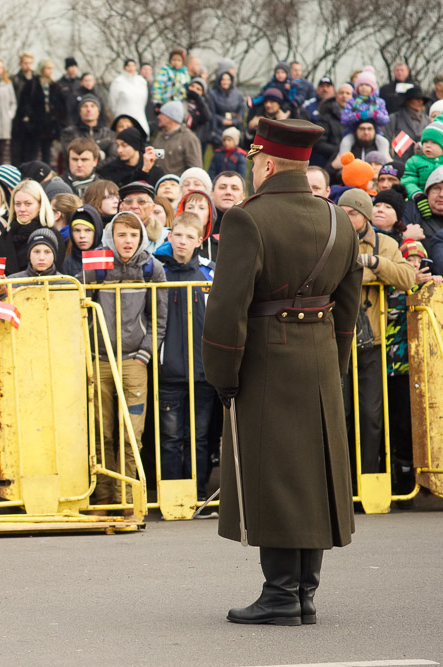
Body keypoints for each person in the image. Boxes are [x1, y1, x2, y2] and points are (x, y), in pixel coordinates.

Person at [201, 118, 363, 626]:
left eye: (253, 163)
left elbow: (228, 308)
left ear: (267, 163)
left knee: (273, 475)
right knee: (311, 475)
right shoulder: (338, 219)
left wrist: (223, 373)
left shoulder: (247, 219)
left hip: (266, 358)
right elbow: (349, 304)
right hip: (318, 357)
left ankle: (280, 596)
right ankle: (303, 595)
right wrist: (334, 362)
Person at [83, 210, 167, 509]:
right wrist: (89, 349)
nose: (127, 240)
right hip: (99, 360)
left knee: (132, 433)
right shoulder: (96, 265)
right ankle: (104, 496)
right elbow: (82, 310)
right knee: (102, 432)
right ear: (111, 236)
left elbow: (158, 318)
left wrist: (145, 354)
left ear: (142, 236)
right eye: (121, 234)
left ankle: (128, 498)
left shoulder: (151, 267)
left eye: (133, 234)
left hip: (134, 362)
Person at [337, 188, 416, 480]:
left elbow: (407, 277)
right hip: (337, 343)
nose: (347, 217)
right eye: (342, 212)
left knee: (371, 418)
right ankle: (343, 486)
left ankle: (369, 481)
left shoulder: (384, 243)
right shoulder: (330, 240)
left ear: (365, 216)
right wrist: (372, 275)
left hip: (373, 344)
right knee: (339, 417)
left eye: (353, 213)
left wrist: (372, 264)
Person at [153, 211, 215, 498]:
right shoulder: (157, 271)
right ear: (169, 236)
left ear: (200, 240)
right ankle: (171, 495)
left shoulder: (209, 272)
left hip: (203, 373)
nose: (182, 241)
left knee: (199, 438)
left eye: (190, 237)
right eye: (178, 235)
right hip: (169, 372)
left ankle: (197, 493)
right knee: (170, 438)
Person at [153, 101, 202, 176]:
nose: (158, 117)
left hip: (176, 185)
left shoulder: (189, 138)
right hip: (158, 184)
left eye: (162, 114)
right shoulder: (159, 136)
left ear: (171, 117)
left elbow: (195, 169)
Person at [401, 121, 443, 209]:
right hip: (419, 203)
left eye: (434, 143)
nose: (428, 146)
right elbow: (408, 181)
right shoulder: (414, 161)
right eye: (425, 142)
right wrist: (417, 195)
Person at [108, 59, 150, 136]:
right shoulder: (118, 82)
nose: (131, 68)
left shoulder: (141, 82)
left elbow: (144, 101)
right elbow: (112, 103)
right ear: (125, 67)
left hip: (140, 117)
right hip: (123, 116)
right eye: (128, 66)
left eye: (133, 65)